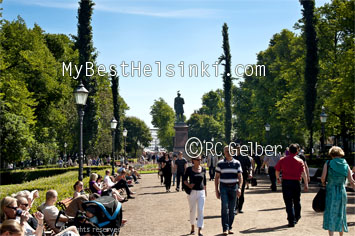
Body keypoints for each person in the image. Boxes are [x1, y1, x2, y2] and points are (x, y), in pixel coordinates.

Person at [321, 146, 355, 236]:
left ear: (331, 154)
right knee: (341, 213)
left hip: (331, 190)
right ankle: (341, 234)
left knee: (330, 212)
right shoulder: (345, 164)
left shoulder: (328, 163)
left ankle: (331, 235)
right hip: (341, 190)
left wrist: (324, 184)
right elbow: (351, 180)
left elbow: (323, 178)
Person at [275, 144, 308, 227]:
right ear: (297, 152)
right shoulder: (300, 161)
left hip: (286, 182)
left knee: (288, 202)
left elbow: (277, 170)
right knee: (297, 200)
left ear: (288, 151)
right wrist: (306, 184)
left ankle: (291, 220)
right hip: (296, 182)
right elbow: (303, 173)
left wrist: (278, 178)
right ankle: (297, 216)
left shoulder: (283, 160)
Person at [215, 146, 243, 235]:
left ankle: (230, 227)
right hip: (224, 188)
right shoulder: (220, 164)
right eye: (226, 151)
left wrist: (239, 188)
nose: (228, 152)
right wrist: (216, 190)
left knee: (232, 209)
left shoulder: (237, 163)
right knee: (224, 208)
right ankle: (225, 228)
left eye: (230, 151)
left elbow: (240, 176)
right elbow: (216, 178)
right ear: (224, 152)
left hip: (234, 187)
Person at [183, 156, 207, 236]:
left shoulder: (203, 169)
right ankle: (192, 227)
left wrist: (205, 191)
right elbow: (184, 180)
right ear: (193, 160)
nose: (199, 161)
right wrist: (189, 185)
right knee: (192, 210)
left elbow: (205, 182)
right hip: (192, 192)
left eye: (200, 159)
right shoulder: (189, 169)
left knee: (200, 210)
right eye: (197, 159)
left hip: (201, 192)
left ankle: (200, 229)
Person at [233, 145, 253, 214]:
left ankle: (240, 208)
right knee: (234, 192)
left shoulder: (245, 157)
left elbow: (250, 165)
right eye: (236, 149)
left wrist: (250, 173)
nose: (238, 150)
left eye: (238, 149)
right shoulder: (232, 157)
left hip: (242, 177)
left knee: (241, 192)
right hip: (233, 177)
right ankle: (235, 208)